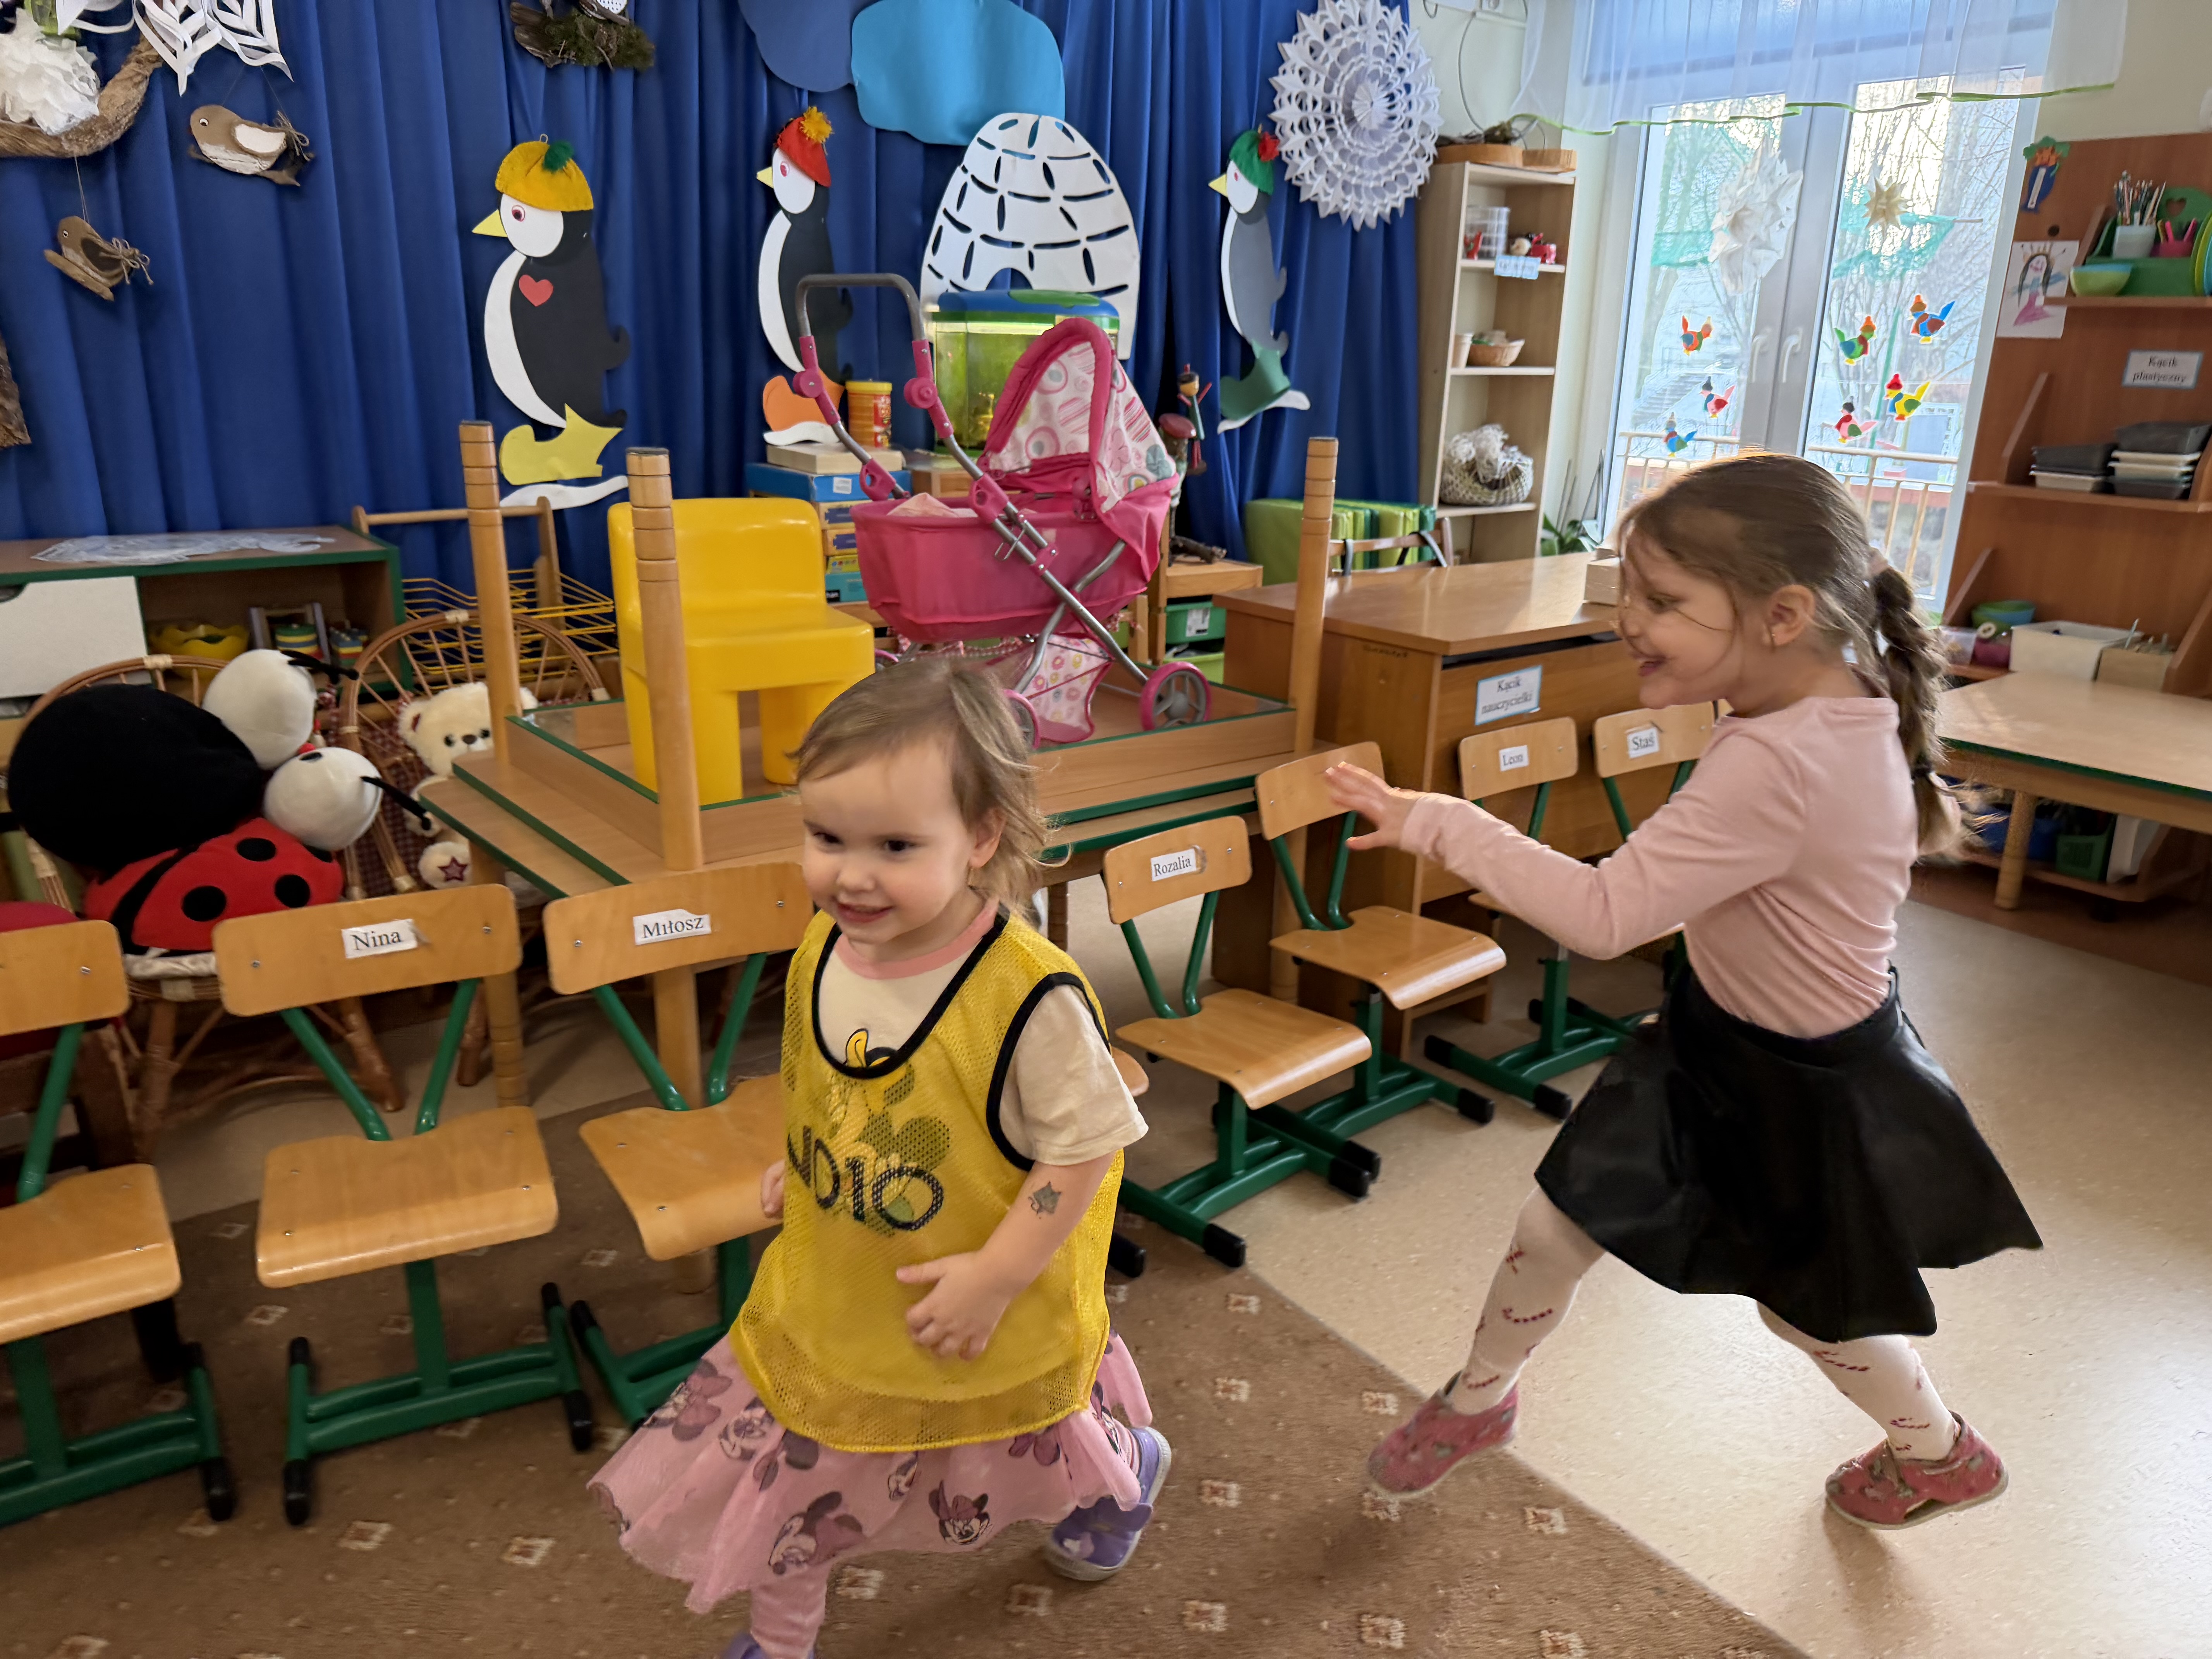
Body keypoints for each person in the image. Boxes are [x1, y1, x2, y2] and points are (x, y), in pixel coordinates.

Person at [1326, 453, 2040, 1531]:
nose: (1630, 620)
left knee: (1808, 1315)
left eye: (1663, 601)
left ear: (1784, 615)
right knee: (1556, 1225)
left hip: (1801, 1083)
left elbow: (1605, 914)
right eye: (1630, 592)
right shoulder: (1831, 696)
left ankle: (1938, 1450)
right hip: (1722, 1037)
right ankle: (1481, 1400)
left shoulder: (1781, 760)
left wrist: (1441, 822)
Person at [591, 658, 1168, 1657]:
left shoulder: (1028, 996)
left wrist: (997, 1276)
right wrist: (809, 1159)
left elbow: (1083, 1154)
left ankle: (1129, 1471)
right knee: (799, 1471)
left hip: (983, 1302)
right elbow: (832, 1078)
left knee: (1038, 1436)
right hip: (843, 1286)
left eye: (895, 845)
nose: (850, 875)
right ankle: (781, 1640)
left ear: (981, 836)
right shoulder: (825, 945)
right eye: (827, 837)